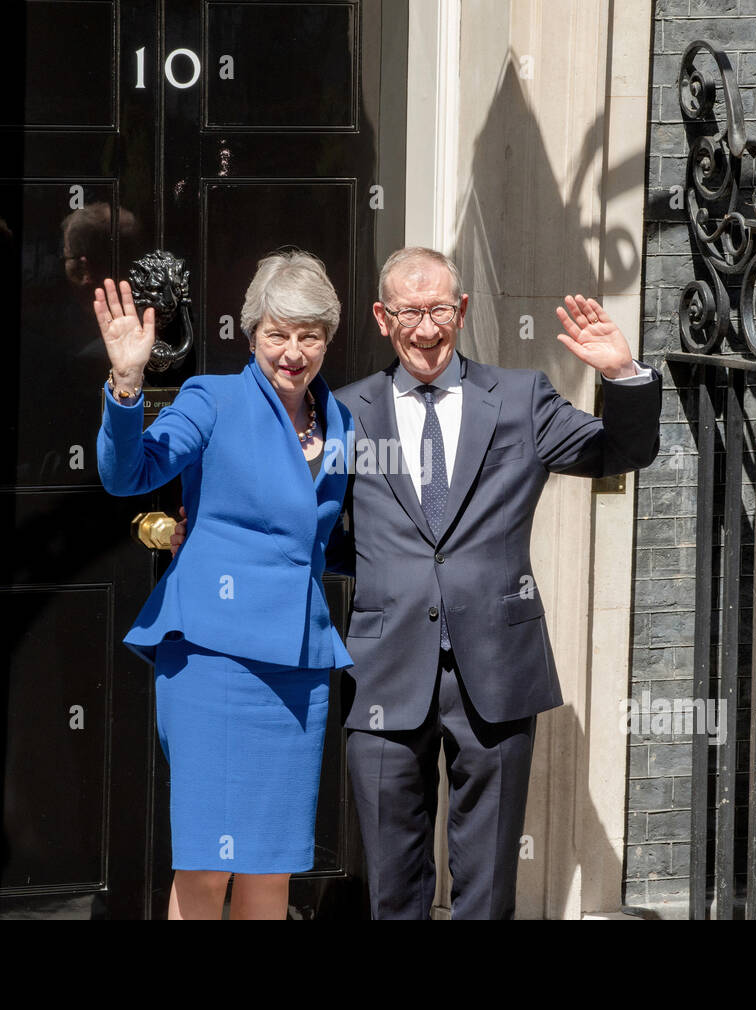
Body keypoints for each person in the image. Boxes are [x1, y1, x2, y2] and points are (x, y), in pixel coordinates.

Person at [329, 247, 661, 919]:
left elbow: (620, 454)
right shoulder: (345, 412)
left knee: (487, 885)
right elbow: (317, 532)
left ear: (464, 310)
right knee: (393, 883)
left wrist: (622, 374)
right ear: (382, 317)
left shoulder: (519, 398)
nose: (427, 329)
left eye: (441, 311)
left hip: (498, 671)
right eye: (411, 312)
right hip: (383, 667)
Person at [94, 249, 353, 920]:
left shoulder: (343, 422)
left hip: (298, 663)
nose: (292, 351)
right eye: (277, 333)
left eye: (309, 335)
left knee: (273, 870)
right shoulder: (213, 398)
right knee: (207, 865)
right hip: (214, 656)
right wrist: (127, 384)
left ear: (329, 337)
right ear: (250, 333)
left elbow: (334, 537)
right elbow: (131, 474)